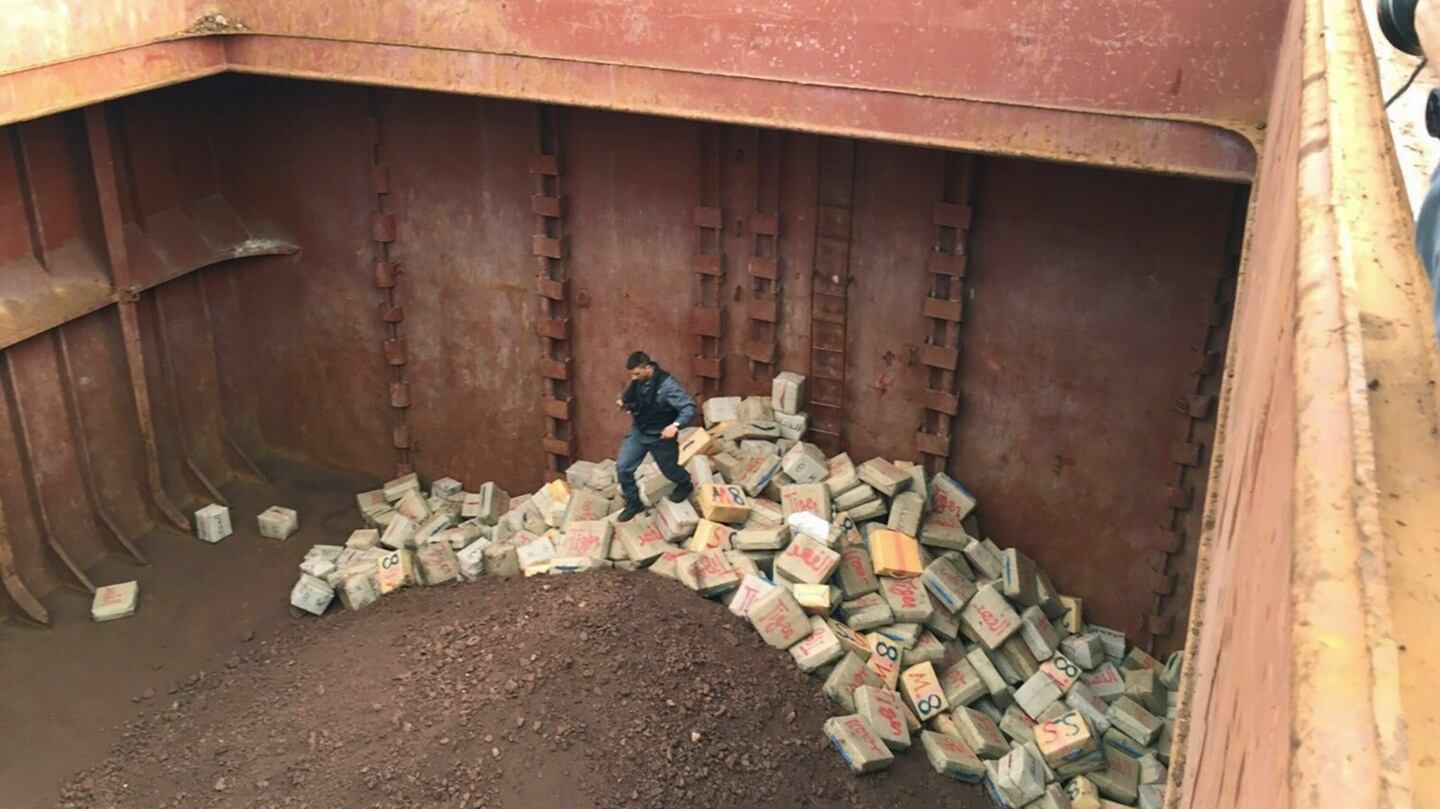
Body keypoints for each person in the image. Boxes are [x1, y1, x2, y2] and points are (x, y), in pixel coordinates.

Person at [614, 351, 697, 521]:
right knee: (623, 467)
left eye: (637, 373)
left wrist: (675, 426)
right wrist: (625, 403)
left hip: (661, 437)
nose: (634, 378)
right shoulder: (638, 382)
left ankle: (685, 483)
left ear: (648, 367)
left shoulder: (668, 386)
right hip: (639, 432)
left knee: (670, 471)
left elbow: (689, 407)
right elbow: (636, 398)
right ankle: (634, 502)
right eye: (632, 374)